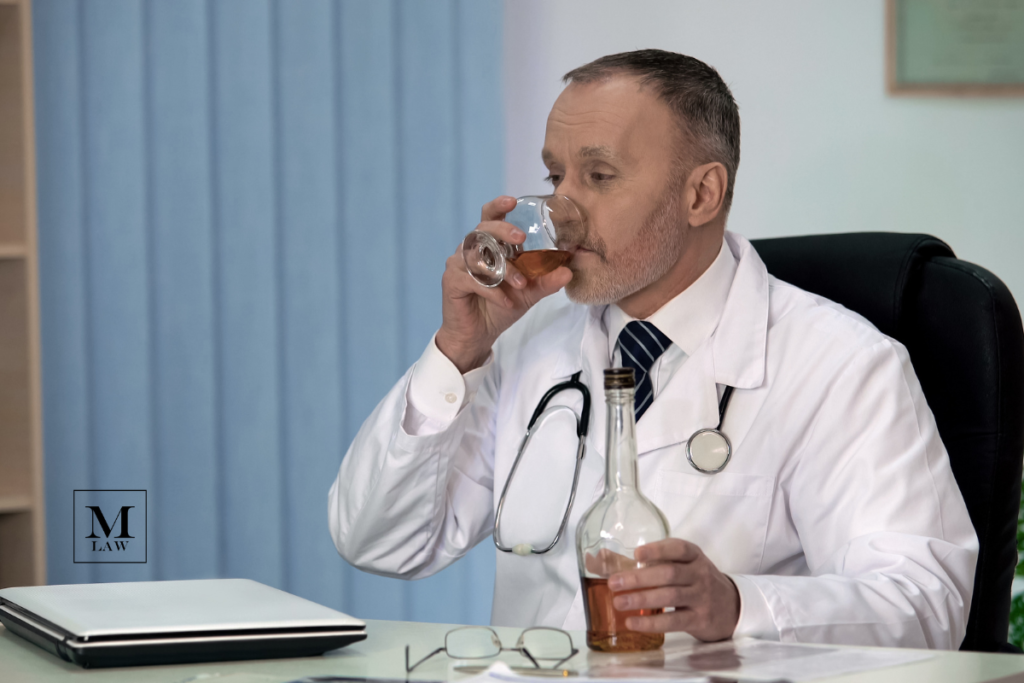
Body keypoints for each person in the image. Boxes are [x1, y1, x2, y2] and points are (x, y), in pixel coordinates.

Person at [328, 49, 977, 649]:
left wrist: (737, 605)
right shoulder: (528, 343)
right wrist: (456, 352)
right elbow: (379, 541)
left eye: (599, 175)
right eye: (556, 174)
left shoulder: (841, 366)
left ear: (701, 194)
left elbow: (924, 606)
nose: (560, 207)